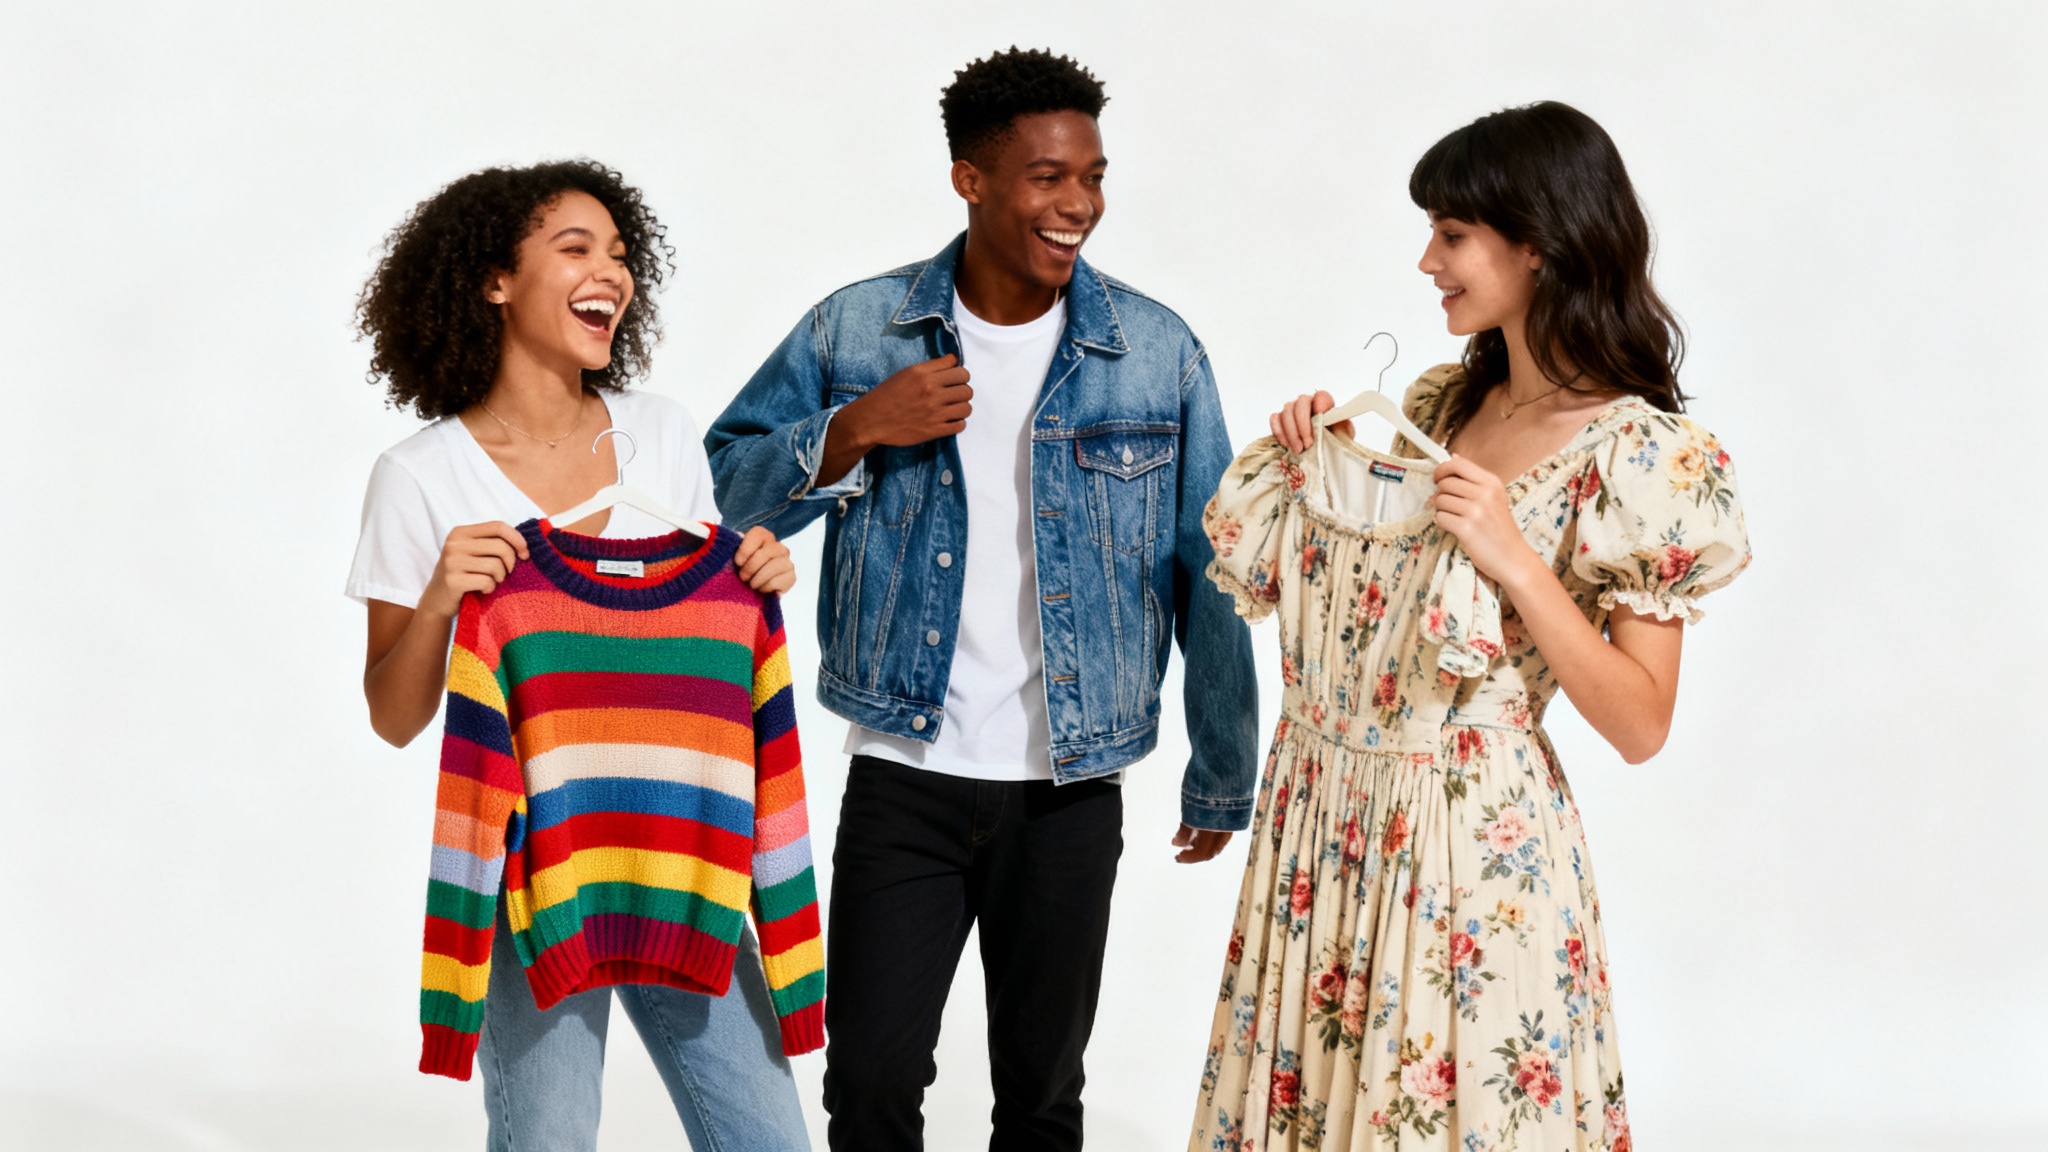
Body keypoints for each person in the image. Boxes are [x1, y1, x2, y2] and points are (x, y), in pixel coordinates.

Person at [705, 48, 1260, 1152]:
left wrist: (1220, 767)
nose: (1078, 206)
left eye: (1092, 177)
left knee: (1041, 1100)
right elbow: (719, 494)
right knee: (866, 1084)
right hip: (903, 778)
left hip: (1067, 787)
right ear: (970, 179)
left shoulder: (1153, 353)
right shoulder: (858, 332)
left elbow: (1215, 566)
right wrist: (857, 424)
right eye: (1048, 178)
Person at [1191, 102, 1751, 1151]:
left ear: (1536, 243)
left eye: (1450, 234)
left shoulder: (1641, 455)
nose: (1424, 260)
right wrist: (1323, 453)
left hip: (1466, 848)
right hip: (1325, 815)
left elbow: (1639, 725)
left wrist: (1515, 560)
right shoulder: (1440, 404)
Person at [345, 159, 809, 1152]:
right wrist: (440, 598)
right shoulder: (419, 478)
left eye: (620, 253)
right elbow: (392, 716)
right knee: (547, 1142)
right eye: (575, 248)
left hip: (691, 858)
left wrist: (756, 569)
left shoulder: (662, 435)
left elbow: (699, 643)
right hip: (537, 881)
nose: (613, 271)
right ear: (492, 280)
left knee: (769, 1141)